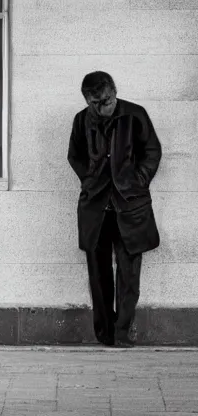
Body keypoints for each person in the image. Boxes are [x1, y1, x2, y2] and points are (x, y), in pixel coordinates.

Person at [67, 71, 162, 348]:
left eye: (105, 101)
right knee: (98, 275)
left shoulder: (135, 115)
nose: (101, 107)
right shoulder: (81, 120)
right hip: (95, 208)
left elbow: (152, 151)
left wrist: (138, 180)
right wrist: (90, 180)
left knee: (129, 274)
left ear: (115, 92)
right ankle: (105, 334)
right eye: (94, 103)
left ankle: (123, 333)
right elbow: (75, 155)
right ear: (87, 100)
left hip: (130, 207)